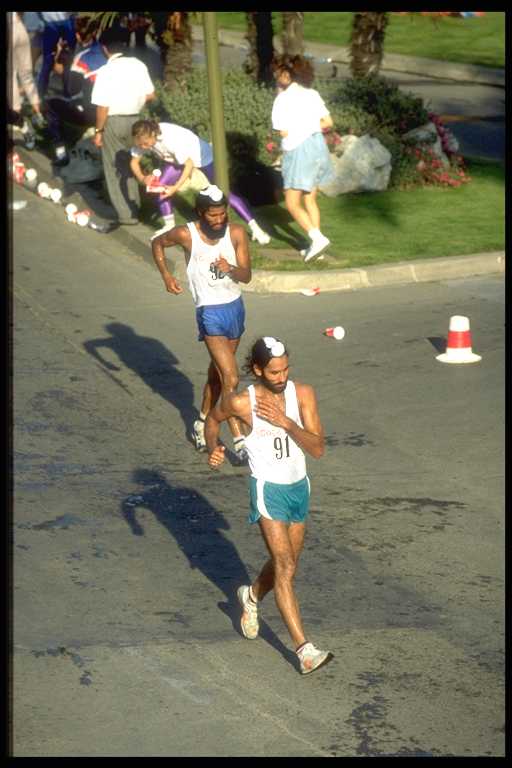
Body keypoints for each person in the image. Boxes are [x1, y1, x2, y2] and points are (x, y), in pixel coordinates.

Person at [205, 336, 334, 675]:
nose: (282, 377)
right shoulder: (242, 403)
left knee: (288, 564)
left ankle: (251, 595)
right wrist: (213, 447)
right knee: (285, 566)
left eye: (286, 369)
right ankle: (304, 650)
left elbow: (318, 449)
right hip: (268, 490)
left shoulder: (302, 394)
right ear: (259, 370)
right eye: (275, 371)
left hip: (298, 488)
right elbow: (212, 419)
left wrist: (287, 423)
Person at [151, 185, 251, 464]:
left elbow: (247, 275)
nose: (219, 220)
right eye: (213, 216)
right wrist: (167, 276)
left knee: (218, 375)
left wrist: (232, 269)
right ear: (200, 212)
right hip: (209, 312)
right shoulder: (186, 234)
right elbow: (157, 243)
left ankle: (201, 421)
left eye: (222, 214)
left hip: (235, 309)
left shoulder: (237, 233)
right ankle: (239, 437)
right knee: (230, 377)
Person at [130, 119, 271, 244]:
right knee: (159, 187)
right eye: (140, 144)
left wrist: (174, 187)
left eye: (145, 144)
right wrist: (143, 178)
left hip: (202, 157)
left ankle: (256, 229)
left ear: (152, 134)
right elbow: (134, 162)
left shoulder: (170, 139)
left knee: (224, 193)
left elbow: (189, 165)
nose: (143, 147)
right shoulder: (144, 136)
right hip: (176, 160)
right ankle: (169, 225)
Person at [271, 54, 334, 263]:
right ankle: (317, 249)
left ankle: (317, 239)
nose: (275, 76)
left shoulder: (282, 99)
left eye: (278, 72)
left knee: (291, 203)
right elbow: (328, 122)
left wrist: (298, 130)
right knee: (310, 199)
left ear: (286, 75)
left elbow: (283, 132)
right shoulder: (313, 94)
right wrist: (310, 126)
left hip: (298, 151)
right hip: (318, 147)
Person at [91, 24, 155, 225]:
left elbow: (102, 106)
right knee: (132, 162)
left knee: (115, 167)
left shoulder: (106, 70)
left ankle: (127, 214)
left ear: (105, 48)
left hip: (114, 122)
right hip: (136, 120)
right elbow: (151, 95)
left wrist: (99, 131)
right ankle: (135, 205)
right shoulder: (139, 64)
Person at [44, 16, 108, 166]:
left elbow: (70, 88)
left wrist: (55, 54)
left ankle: (61, 153)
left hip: (90, 112)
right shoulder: (103, 50)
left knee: (49, 105)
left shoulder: (81, 58)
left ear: (77, 34)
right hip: (106, 111)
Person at [7, 12, 44, 149]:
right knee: (26, 74)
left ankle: (20, 122)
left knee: (11, 77)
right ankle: (38, 114)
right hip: (19, 25)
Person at [36, 12, 76, 100]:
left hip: (53, 22)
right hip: (62, 22)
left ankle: (41, 93)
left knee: (49, 60)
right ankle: (66, 93)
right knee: (64, 59)